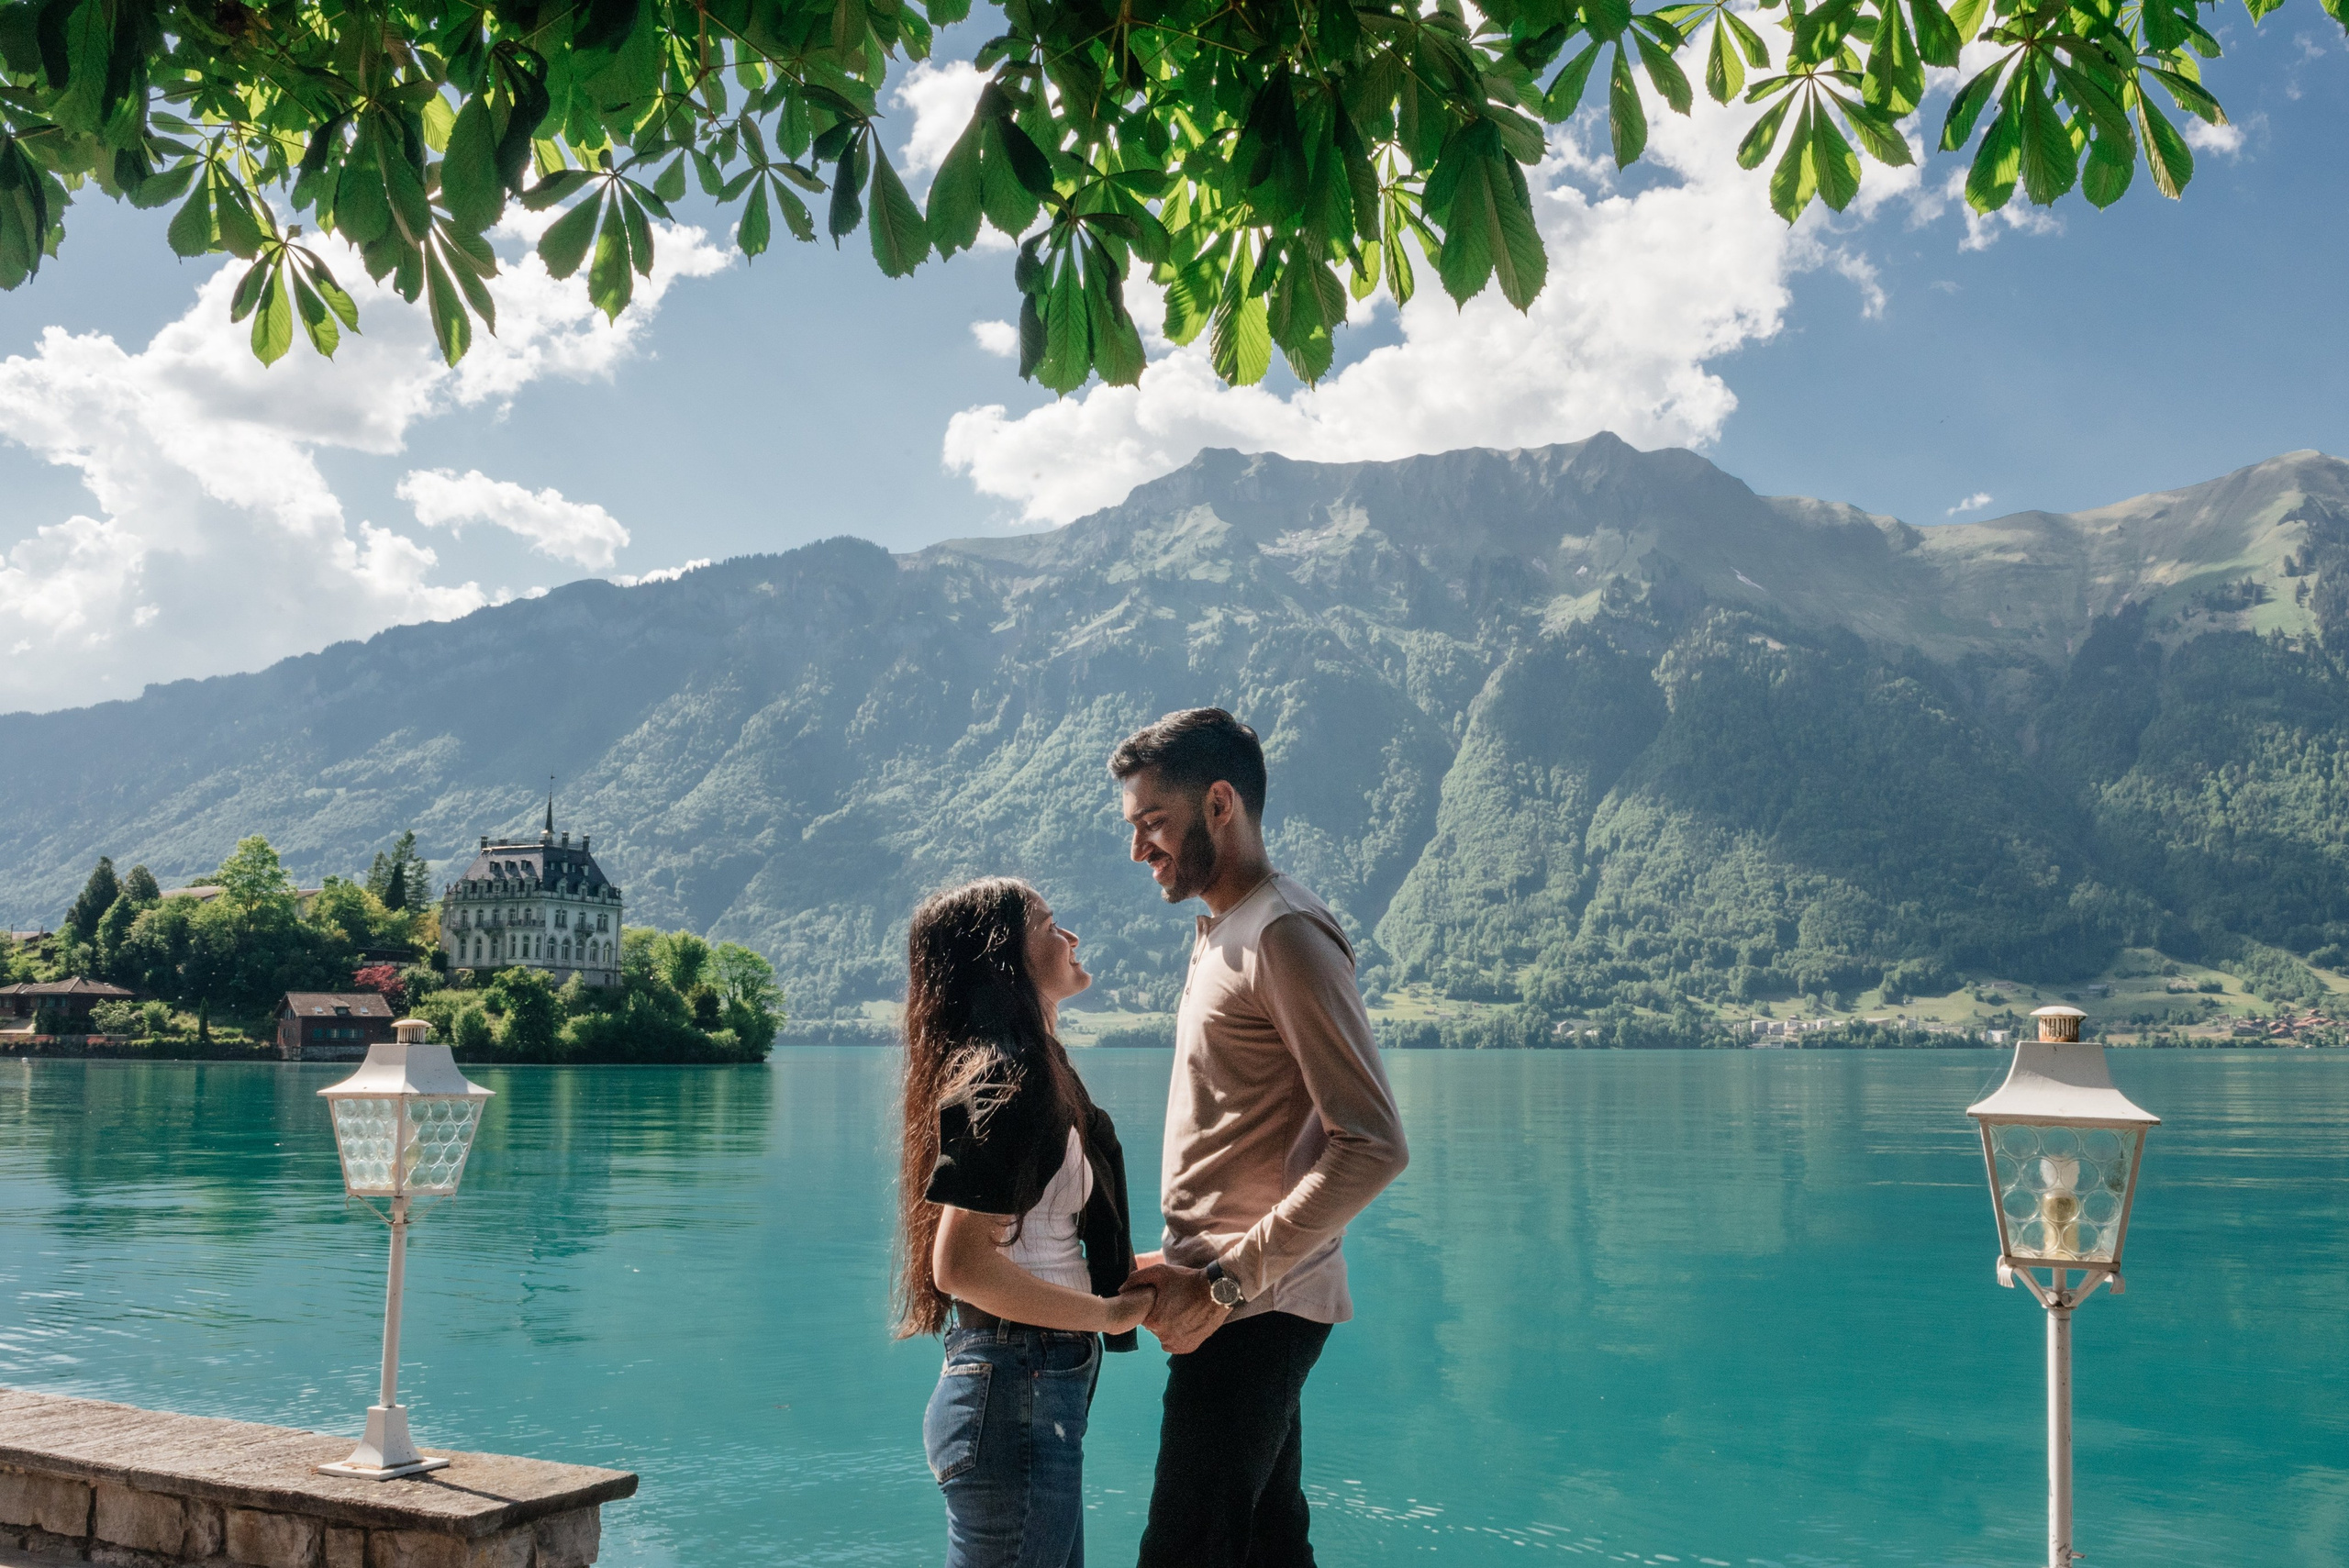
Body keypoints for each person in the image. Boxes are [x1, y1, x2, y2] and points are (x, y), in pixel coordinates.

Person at [1114, 708, 1411, 1568]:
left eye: (1152, 824)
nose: (1139, 850)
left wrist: (1224, 1284)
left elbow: (1373, 1142)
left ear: (1219, 804)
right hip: (1230, 1304)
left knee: (1184, 1552)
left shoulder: (1283, 933)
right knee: (1269, 1548)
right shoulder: (1221, 929)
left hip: (1251, 1310)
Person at [895, 877, 1157, 1568]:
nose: (1070, 936)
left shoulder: (1034, 1068)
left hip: (1025, 1389)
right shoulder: (1008, 1077)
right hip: (1017, 1391)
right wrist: (1106, 1313)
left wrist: (1150, 1279)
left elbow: (1041, 1243)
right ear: (1004, 956)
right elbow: (962, 1265)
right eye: (1049, 922)